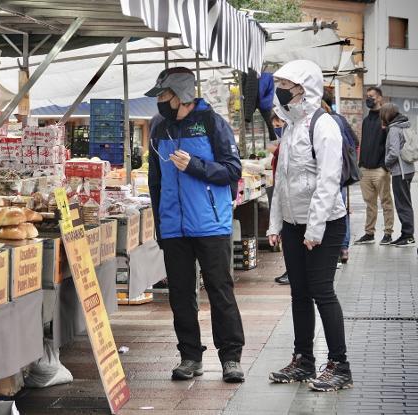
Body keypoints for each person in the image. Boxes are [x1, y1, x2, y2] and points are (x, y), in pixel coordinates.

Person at [146, 67, 246, 383]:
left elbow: (232, 171)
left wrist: (195, 166)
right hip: (174, 226)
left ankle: (231, 358)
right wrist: (161, 226)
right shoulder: (158, 127)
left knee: (220, 291)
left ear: (182, 96)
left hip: (212, 224)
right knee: (180, 294)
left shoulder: (213, 124)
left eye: (164, 96)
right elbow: (155, 181)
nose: (160, 102)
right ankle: (190, 357)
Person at [267, 60, 352, 392]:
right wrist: (276, 224)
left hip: (325, 224)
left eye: (286, 83)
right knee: (299, 293)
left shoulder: (324, 124)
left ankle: (339, 365)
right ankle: (303, 360)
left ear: (304, 87)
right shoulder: (290, 126)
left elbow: (328, 182)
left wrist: (314, 229)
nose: (281, 89)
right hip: (292, 222)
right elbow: (282, 180)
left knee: (322, 292)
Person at [355, 87, 395, 245]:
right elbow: (364, 142)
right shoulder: (366, 120)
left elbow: (390, 144)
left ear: (379, 98)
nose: (368, 99)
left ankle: (388, 233)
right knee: (369, 204)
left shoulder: (386, 119)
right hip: (365, 169)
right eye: (367, 96)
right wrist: (361, 164)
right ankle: (369, 233)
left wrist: (385, 166)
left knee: (386, 202)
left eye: (371, 96)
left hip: (380, 170)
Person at [322, 89, 358, 263]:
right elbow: (355, 142)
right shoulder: (340, 119)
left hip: (331, 173)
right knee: (341, 210)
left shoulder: (326, 121)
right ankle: (343, 249)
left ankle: (335, 248)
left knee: (334, 210)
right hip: (342, 173)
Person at [381, 103, 416, 247]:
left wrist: (386, 163)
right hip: (408, 169)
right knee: (405, 202)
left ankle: (407, 235)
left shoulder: (394, 129)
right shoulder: (405, 125)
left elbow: (394, 152)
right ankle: (407, 234)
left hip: (399, 171)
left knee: (402, 204)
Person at [268, 113, 289, 285]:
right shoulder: (284, 140)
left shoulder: (288, 140)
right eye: (274, 124)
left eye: (279, 123)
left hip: (289, 195)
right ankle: (291, 270)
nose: (277, 127)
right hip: (281, 190)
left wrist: (275, 151)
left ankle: (292, 271)